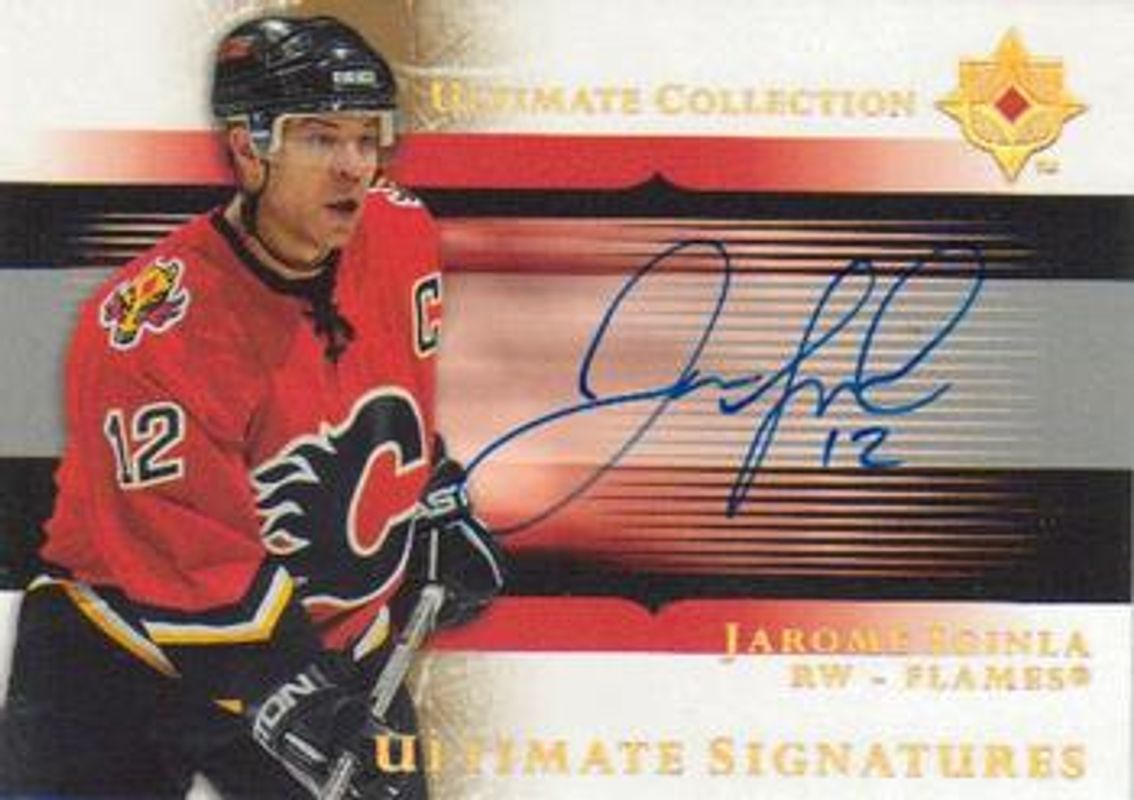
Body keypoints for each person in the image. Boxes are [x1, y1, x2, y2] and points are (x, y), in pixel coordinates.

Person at [0, 14, 504, 799]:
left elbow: (379, 394)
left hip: (326, 640)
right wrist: (297, 695)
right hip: (124, 646)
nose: (354, 167)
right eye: (320, 138)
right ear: (248, 147)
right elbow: (181, 548)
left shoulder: (402, 234)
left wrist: (425, 499)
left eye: (366, 137)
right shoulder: (153, 327)